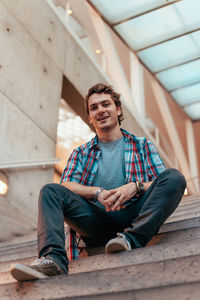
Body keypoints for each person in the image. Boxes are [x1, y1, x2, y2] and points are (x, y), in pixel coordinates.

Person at [10, 83, 186, 281]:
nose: (100, 110)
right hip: (95, 221)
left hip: (135, 214)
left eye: (105, 105)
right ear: (90, 117)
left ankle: (131, 239)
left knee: (175, 177)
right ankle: (54, 260)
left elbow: (159, 182)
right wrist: (97, 192)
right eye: (94, 108)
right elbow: (66, 184)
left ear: (117, 109)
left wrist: (134, 187)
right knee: (50, 191)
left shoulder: (142, 145)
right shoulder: (81, 152)